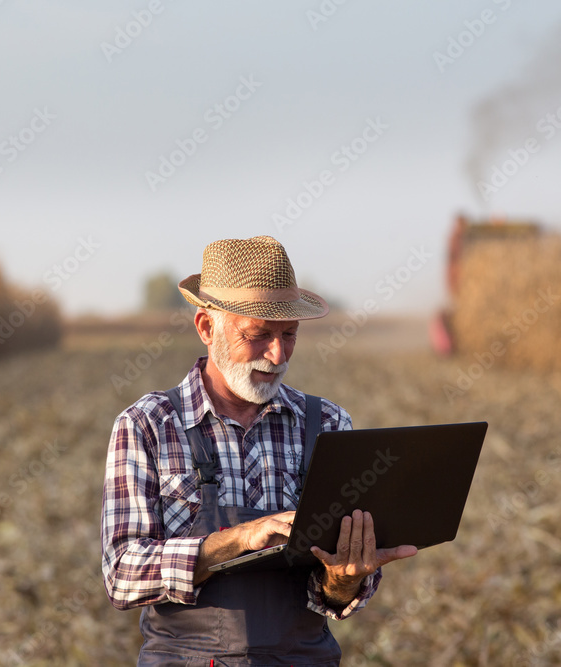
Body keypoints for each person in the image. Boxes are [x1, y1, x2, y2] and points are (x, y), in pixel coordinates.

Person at [101, 235, 416, 665]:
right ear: (206, 328)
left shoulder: (328, 425)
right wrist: (234, 541)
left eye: (290, 335)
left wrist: (343, 582)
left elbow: (335, 595)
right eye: (258, 334)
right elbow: (122, 574)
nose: (277, 353)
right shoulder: (148, 426)